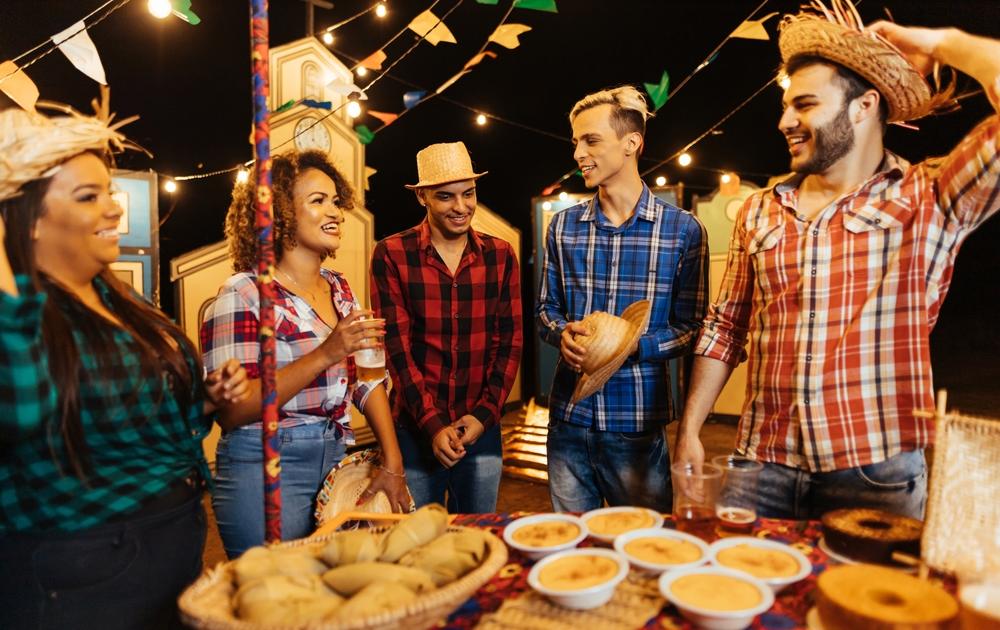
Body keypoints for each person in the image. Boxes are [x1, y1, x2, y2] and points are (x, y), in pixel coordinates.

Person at [675, 5, 1000, 520]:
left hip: (875, 474)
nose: (784, 121)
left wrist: (940, 40)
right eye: (785, 105)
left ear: (863, 106)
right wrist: (689, 431)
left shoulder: (929, 196)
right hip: (760, 464)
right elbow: (725, 327)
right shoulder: (761, 210)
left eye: (804, 104)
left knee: (859, 602)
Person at [0, 101, 249, 629]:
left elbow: (136, 425)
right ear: (32, 221)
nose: (114, 208)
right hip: (80, 572)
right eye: (89, 197)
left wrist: (203, 399)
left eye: (109, 191)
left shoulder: (118, 301)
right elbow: (23, 411)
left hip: (167, 545)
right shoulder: (18, 313)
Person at [200, 150, 410, 558]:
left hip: (335, 459)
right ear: (278, 211)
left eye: (335, 200)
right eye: (318, 200)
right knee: (274, 602)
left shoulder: (339, 287)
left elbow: (368, 380)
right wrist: (327, 352)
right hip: (265, 468)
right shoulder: (243, 293)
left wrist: (392, 459)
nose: (335, 211)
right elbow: (234, 409)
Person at [537, 86, 709, 512]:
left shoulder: (683, 231)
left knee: (644, 549)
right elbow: (545, 311)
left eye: (591, 140)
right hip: (568, 421)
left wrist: (633, 344)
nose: (578, 153)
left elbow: (694, 329)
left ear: (632, 143)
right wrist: (563, 334)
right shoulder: (563, 227)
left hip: (636, 424)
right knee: (572, 555)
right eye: (575, 141)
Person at [370, 141, 523, 513]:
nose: (461, 207)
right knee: (421, 550)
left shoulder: (500, 255)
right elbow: (397, 349)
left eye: (468, 194)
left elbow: (511, 342)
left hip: (481, 430)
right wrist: (433, 424)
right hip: (414, 431)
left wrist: (484, 415)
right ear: (422, 196)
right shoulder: (392, 253)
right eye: (446, 197)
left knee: (478, 541)